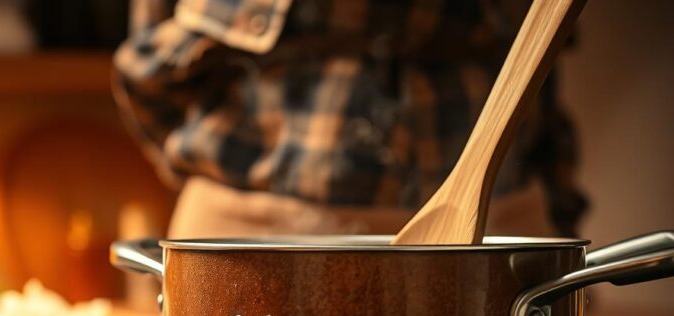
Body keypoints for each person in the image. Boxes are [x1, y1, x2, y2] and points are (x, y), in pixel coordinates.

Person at [113, 0, 586, 239]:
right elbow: (147, 68)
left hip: (495, 240)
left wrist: (561, 238)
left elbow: (546, 73)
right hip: (243, 244)